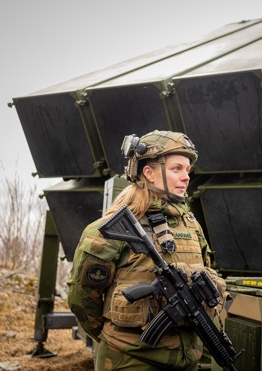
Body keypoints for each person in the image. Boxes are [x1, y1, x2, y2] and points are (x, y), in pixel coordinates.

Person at [67, 130, 225, 371]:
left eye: (187, 170)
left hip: (187, 360)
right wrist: (116, 339)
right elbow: (82, 298)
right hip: (130, 360)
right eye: (176, 169)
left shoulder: (191, 226)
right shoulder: (110, 230)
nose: (186, 178)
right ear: (149, 173)